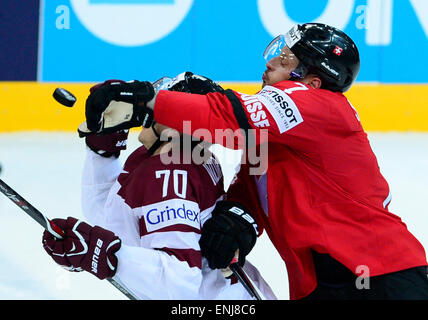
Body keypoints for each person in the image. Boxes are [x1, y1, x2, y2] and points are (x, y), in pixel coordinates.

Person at [75, 23, 428, 300]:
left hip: (383, 275)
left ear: (311, 79)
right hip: (319, 282)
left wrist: (149, 98)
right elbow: (252, 181)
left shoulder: (320, 106)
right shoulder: (274, 135)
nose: (271, 62)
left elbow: (229, 113)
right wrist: (238, 216)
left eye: (286, 60)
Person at [41, 76, 277, 300]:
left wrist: (106, 254)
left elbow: (180, 279)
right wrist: (103, 153)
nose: (151, 111)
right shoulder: (170, 156)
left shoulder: (170, 173)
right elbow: (114, 219)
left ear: (176, 129)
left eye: (168, 106)